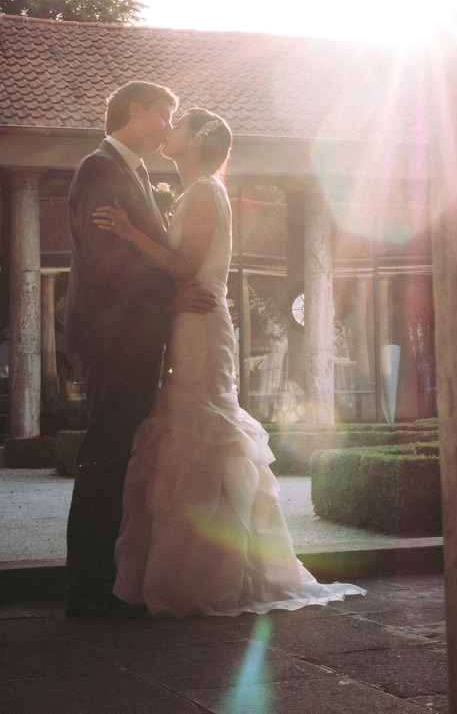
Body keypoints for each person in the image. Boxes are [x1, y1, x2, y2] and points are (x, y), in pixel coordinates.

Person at [93, 108, 365, 616]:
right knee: (186, 433)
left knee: (202, 433)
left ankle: (207, 577)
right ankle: (200, 569)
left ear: (197, 141)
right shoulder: (200, 191)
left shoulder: (203, 193)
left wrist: (130, 233)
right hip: (189, 321)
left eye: (176, 126)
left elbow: (185, 267)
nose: (167, 130)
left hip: (200, 325)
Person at [61, 81, 216, 620]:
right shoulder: (99, 168)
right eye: (166, 113)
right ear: (136, 111)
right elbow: (108, 263)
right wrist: (171, 295)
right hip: (116, 338)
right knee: (102, 460)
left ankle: (103, 583)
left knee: (115, 458)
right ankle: (86, 591)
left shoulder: (138, 173)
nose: (171, 125)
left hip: (135, 337)